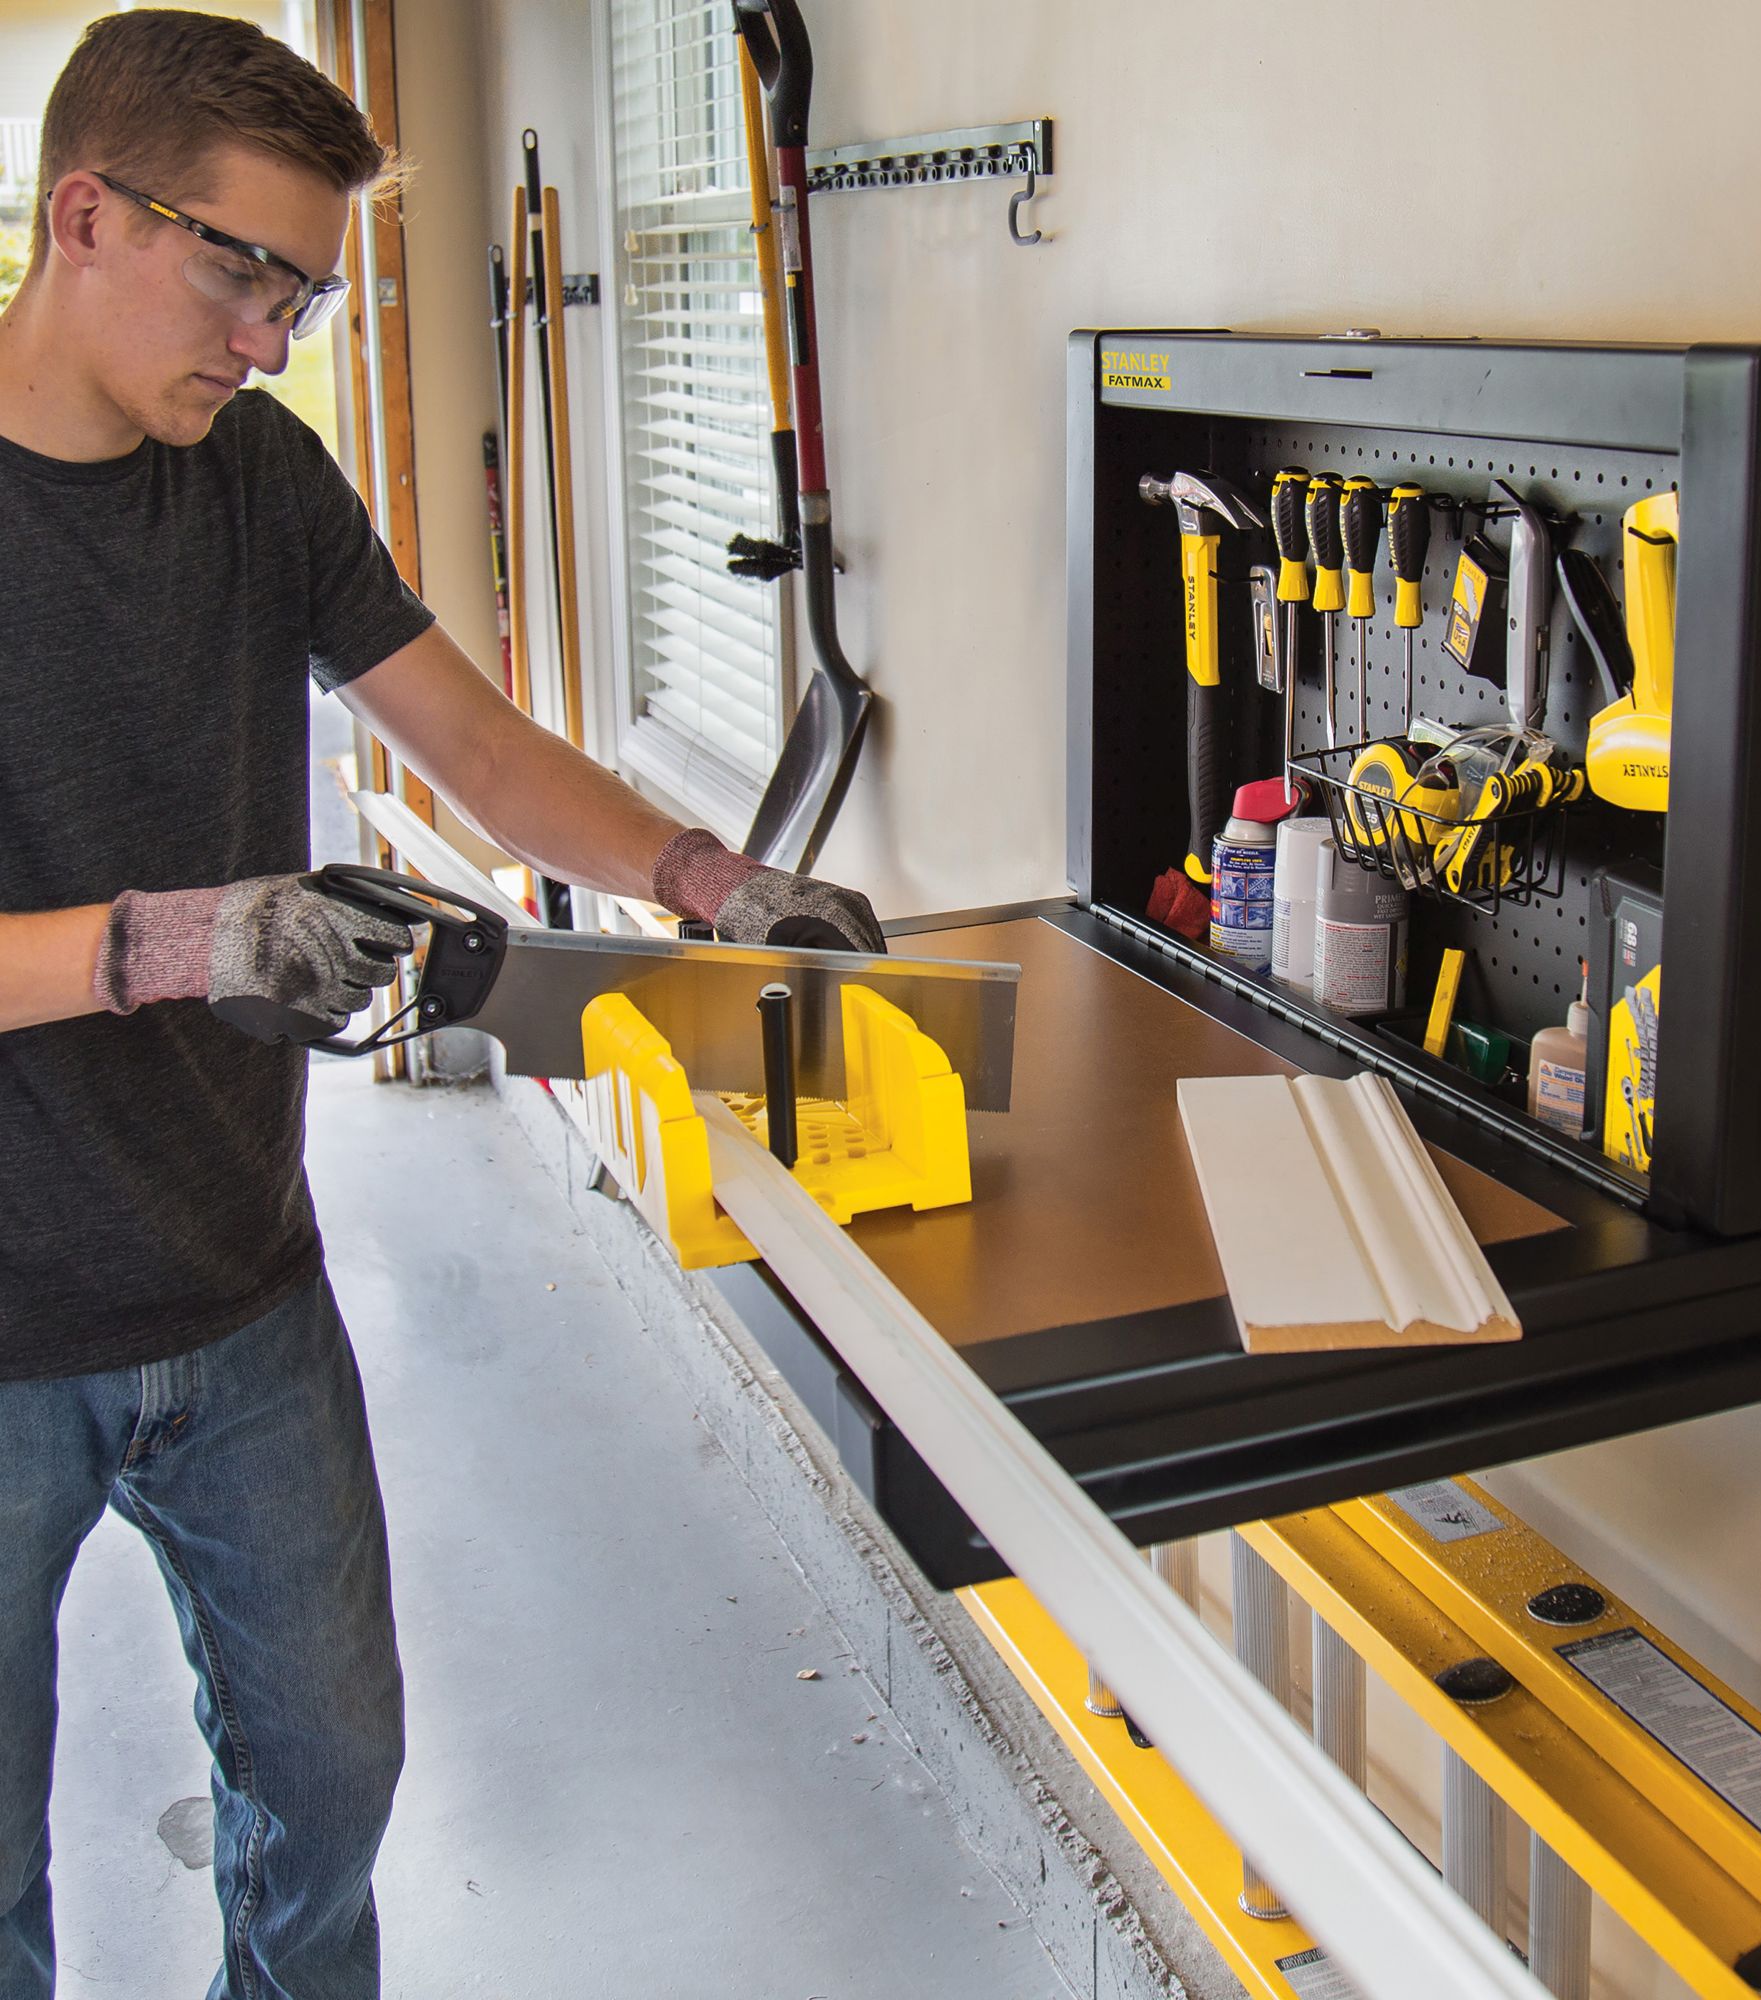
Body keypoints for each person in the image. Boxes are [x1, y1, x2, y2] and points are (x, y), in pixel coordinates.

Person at [0, 12, 884, 1997]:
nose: (273, 336)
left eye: (302, 293)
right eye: (244, 272)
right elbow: (143, 938)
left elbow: (476, 746)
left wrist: (709, 878)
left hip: (238, 1277)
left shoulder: (257, 474)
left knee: (331, 1789)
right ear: (83, 214)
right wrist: (167, 940)